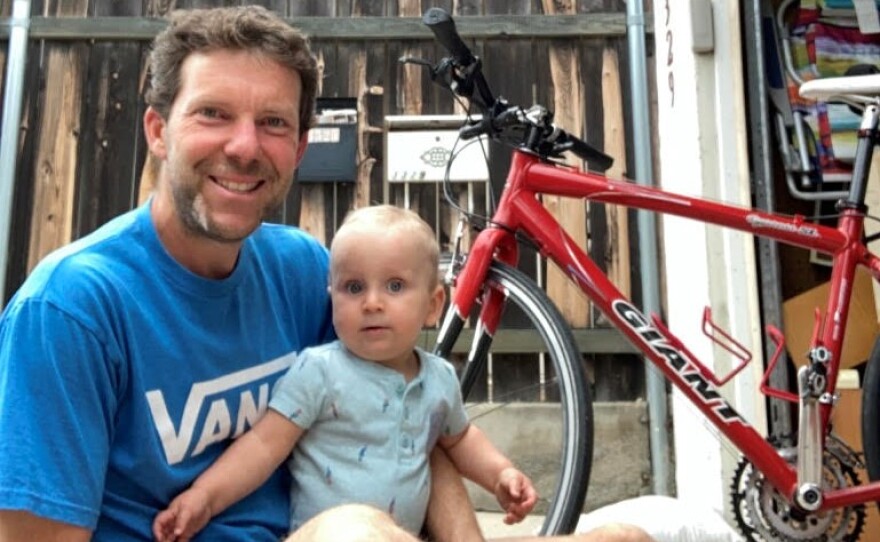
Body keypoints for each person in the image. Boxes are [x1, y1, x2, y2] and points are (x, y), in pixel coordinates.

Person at [0, 5, 653, 542]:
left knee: (642, 533)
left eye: (274, 123)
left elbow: (405, 419)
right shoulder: (72, 309)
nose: (245, 146)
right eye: (213, 114)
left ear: (299, 149)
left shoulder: (304, 270)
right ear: (158, 130)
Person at [153, 205, 538, 541]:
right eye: (353, 287)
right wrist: (203, 497)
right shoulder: (320, 371)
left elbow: (461, 439)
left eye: (394, 286)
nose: (372, 302)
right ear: (332, 296)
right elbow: (263, 446)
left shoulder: (438, 379)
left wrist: (501, 474)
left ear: (434, 305)